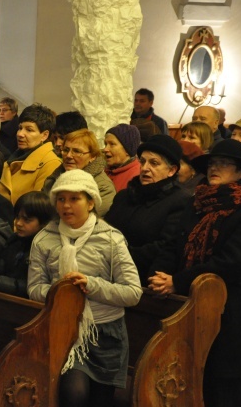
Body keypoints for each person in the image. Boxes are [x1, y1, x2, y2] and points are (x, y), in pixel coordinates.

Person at [28, 169, 142, 407]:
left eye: (74, 199)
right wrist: (60, 292)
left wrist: (92, 285)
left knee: (100, 401)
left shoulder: (111, 239)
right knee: (74, 394)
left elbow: (133, 292)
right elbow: (34, 287)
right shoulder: (44, 238)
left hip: (106, 334)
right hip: (63, 330)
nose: (66, 206)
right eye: (61, 199)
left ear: (91, 202)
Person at [148, 139, 241, 407]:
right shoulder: (197, 202)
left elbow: (232, 261)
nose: (214, 168)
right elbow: (173, 244)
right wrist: (161, 276)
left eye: (223, 164)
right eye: (212, 163)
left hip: (230, 309)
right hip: (187, 306)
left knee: (222, 385)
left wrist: (177, 281)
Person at [105, 134, 190, 284]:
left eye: (154, 163)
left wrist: (118, 255)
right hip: (106, 271)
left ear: (171, 170)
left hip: (142, 277)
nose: (145, 168)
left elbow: (164, 247)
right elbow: (105, 230)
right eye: (142, 162)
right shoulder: (125, 195)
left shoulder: (179, 200)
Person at [0, 191, 55, 298]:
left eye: (27, 220)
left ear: (43, 222)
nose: (18, 223)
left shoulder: (46, 248)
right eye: (17, 217)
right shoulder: (15, 240)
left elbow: (30, 286)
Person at [0, 103, 61, 206]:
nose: (20, 134)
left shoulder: (51, 163)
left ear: (44, 135)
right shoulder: (12, 159)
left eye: (29, 130)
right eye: (20, 128)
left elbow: (38, 208)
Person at [44, 128, 116, 216]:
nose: (69, 156)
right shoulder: (54, 177)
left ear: (92, 157)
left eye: (77, 151)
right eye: (66, 150)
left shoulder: (103, 186)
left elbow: (83, 218)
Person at [103, 124, 141, 192]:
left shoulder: (137, 178)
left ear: (127, 150)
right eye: (105, 144)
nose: (105, 149)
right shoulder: (104, 170)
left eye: (112, 144)